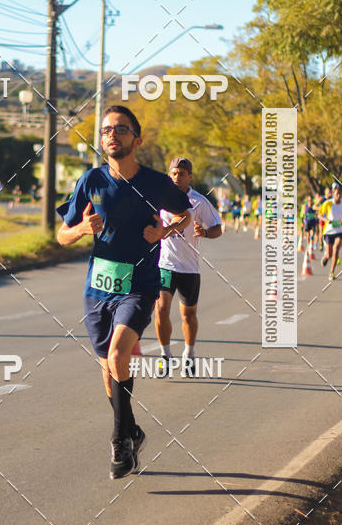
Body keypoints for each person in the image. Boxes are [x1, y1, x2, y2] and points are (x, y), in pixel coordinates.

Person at [56, 106, 191, 480]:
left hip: (140, 286)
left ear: (137, 139)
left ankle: (119, 441)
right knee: (109, 369)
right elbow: (62, 235)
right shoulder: (91, 180)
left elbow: (185, 215)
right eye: (106, 130)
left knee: (119, 354)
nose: (112, 135)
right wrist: (82, 229)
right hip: (98, 289)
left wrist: (163, 232)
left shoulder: (156, 183)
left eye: (120, 129)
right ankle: (133, 431)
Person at [155, 157, 222, 377]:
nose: (177, 177)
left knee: (188, 316)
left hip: (189, 269)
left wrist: (205, 233)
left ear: (190, 177)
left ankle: (189, 353)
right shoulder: (160, 197)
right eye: (174, 173)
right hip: (165, 264)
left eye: (182, 174)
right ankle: (165, 355)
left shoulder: (198, 202)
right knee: (161, 309)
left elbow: (217, 227)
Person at [317, 183, 342, 280]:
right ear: (333, 195)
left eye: (339, 194)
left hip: (340, 231)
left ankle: (331, 272)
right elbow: (319, 215)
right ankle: (326, 257)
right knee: (329, 254)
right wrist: (326, 220)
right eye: (336, 194)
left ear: (341, 195)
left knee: (336, 249)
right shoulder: (328, 203)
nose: (338, 196)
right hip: (329, 231)